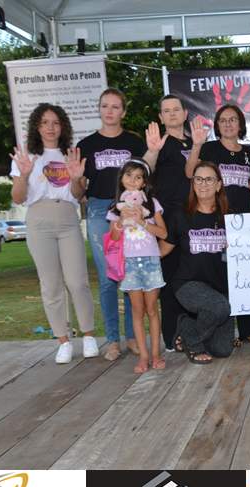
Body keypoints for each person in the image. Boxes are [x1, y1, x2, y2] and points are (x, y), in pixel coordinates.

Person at [10, 103, 98, 363]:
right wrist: (23, 175)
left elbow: (78, 194)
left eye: (56, 122)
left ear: (63, 127)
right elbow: (18, 197)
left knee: (77, 281)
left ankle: (89, 335)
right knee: (50, 285)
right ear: (36, 127)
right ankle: (63, 340)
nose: (50, 127)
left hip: (68, 219)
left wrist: (76, 178)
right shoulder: (27, 156)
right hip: (39, 220)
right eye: (45, 122)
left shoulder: (70, 154)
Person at [77, 88, 146, 360]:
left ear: (123, 112)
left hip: (129, 209)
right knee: (108, 277)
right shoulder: (86, 145)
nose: (109, 111)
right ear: (99, 109)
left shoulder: (134, 142)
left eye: (115, 106)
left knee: (129, 275)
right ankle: (113, 340)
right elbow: (78, 191)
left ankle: (132, 337)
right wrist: (75, 179)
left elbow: (145, 177)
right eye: (105, 105)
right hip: (98, 210)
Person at [187, 104, 250, 347]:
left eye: (233, 120)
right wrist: (196, 145)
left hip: (245, 224)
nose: (228, 124)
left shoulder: (248, 153)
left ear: (241, 124)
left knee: (245, 276)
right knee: (223, 276)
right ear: (217, 125)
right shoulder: (209, 148)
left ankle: (248, 330)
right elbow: (190, 173)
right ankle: (226, 332)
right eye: (223, 120)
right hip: (218, 222)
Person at [159, 161, 233, 363]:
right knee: (220, 308)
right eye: (198, 179)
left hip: (220, 286)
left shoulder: (229, 217)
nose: (203, 184)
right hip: (188, 284)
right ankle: (192, 341)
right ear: (192, 184)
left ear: (218, 185)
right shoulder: (180, 215)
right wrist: (135, 253)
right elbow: (163, 250)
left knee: (222, 349)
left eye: (209, 179)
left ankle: (186, 327)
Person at [145, 94, 196, 353]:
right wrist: (152, 150)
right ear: (161, 117)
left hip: (194, 218)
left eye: (176, 109)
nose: (172, 113)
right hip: (168, 220)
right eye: (167, 110)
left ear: (185, 113)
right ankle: (171, 336)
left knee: (192, 277)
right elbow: (144, 168)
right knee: (170, 277)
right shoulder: (159, 143)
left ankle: (194, 332)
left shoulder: (195, 141)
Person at [107, 159, 167, 374]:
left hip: (150, 261)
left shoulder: (152, 204)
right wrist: (120, 221)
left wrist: (143, 221)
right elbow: (114, 237)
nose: (133, 180)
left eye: (138, 177)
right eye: (129, 175)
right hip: (130, 263)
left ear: (144, 183)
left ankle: (156, 354)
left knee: (152, 310)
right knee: (137, 311)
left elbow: (163, 233)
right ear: (121, 179)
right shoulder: (116, 207)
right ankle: (143, 356)